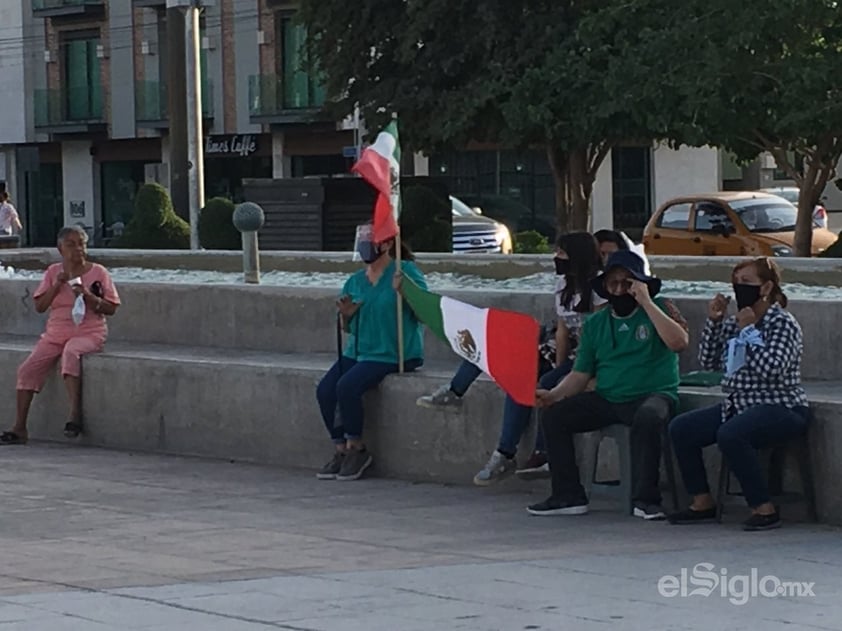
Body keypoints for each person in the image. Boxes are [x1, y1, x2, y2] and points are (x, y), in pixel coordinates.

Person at [415, 233, 605, 485]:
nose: (556, 258)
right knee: (497, 347)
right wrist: (559, 366)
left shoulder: (600, 287)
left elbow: (602, 333)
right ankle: (457, 393)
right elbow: (562, 330)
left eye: (561, 253)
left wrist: (566, 374)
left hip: (587, 355)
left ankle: (538, 453)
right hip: (561, 350)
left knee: (543, 384)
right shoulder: (563, 284)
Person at [529, 250, 689, 519]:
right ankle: (568, 495)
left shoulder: (660, 308)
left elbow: (679, 343)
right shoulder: (595, 324)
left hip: (652, 394)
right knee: (555, 416)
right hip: (608, 397)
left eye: (627, 283)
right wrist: (553, 395)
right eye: (612, 284)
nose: (618, 290)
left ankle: (646, 499)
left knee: (649, 417)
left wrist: (647, 303)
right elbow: (580, 374)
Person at [668, 258, 807, 531]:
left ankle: (763, 508)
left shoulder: (782, 323)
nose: (739, 288)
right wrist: (715, 322)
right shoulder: (735, 321)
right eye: (736, 282)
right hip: (738, 404)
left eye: (747, 282)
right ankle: (702, 501)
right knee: (681, 428)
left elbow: (773, 369)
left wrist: (749, 331)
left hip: (780, 406)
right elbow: (708, 362)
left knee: (732, 434)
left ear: (766, 287)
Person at [315, 227, 425, 481]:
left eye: (369, 241)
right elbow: (347, 325)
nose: (364, 246)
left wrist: (405, 292)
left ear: (386, 244)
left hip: (391, 350)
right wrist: (346, 315)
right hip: (361, 349)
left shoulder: (404, 271)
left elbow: (424, 313)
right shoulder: (355, 280)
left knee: (347, 386)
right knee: (325, 390)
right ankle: (340, 448)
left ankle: (357, 447)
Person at [1, 226, 121, 445]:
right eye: (71, 244)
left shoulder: (98, 273)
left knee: (71, 352)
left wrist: (88, 297)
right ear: (60, 249)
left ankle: (74, 415)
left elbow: (111, 308)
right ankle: (19, 428)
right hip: (56, 333)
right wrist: (57, 284)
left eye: (81, 244)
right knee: (27, 369)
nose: (78, 249)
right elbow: (40, 306)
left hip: (88, 332)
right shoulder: (52, 272)